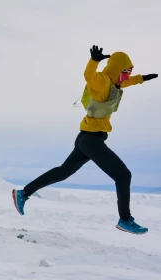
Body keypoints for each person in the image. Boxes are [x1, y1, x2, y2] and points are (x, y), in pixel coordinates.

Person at [12, 45, 157, 235]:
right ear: (118, 69)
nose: (129, 74)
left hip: (86, 138)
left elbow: (125, 83)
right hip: (91, 141)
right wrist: (94, 61)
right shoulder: (102, 82)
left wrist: (141, 79)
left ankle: (24, 193)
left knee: (63, 172)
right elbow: (89, 76)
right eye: (127, 71)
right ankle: (125, 220)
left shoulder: (115, 83)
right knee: (123, 176)